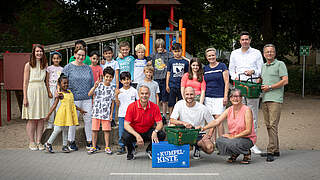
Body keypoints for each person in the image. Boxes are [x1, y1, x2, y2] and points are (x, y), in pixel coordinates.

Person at [228, 31, 264, 154]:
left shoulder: (257, 53)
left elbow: (261, 69)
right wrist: (235, 76)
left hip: (252, 85)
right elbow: (231, 70)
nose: (244, 41)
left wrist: (253, 71)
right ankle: (238, 141)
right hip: (239, 86)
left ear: (250, 40)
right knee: (238, 115)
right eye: (242, 39)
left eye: (246, 39)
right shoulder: (234, 53)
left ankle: (252, 143)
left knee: (253, 115)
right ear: (240, 41)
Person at [202, 89, 257, 164]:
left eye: (237, 96)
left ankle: (247, 152)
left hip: (247, 138)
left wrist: (233, 136)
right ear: (230, 98)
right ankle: (235, 152)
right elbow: (216, 121)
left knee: (232, 143)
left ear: (241, 98)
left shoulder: (247, 110)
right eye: (233, 96)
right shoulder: (229, 110)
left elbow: (248, 131)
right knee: (219, 141)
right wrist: (204, 128)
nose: (235, 99)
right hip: (234, 137)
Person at [260, 44, 288, 162]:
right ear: (264, 54)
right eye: (267, 52)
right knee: (269, 125)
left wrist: (270, 87)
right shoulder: (263, 66)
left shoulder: (280, 64)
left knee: (273, 125)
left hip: (275, 99)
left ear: (275, 53)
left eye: (271, 51)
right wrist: (258, 80)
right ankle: (276, 149)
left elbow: (285, 81)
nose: (269, 53)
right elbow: (263, 80)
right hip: (265, 98)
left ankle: (270, 150)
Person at [44, 74, 86, 153]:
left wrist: (81, 110)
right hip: (61, 115)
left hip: (68, 115)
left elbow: (72, 104)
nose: (66, 84)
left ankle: (64, 146)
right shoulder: (60, 94)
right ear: (60, 84)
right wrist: (48, 115)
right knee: (57, 129)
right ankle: (48, 143)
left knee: (66, 130)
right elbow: (54, 105)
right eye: (64, 83)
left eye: (67, 83)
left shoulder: (69, 92)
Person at [62, 47, 94, 151]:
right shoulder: (68, 67)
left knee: (88, 120)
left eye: (83, 55)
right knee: (73, 121)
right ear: (75, 55)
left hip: (87, 98)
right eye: (79, 55)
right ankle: (71, 141)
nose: (81, 57)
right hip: (73, 98)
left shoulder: (88, 68)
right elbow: (61, 81)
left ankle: (90, 141)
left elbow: (92, 83)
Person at [170, 87, 215, 160]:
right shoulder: (179, 104)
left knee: (210, 148)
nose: (189, 96)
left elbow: (213, 123)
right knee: (171, 125)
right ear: (184, 95)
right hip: (184, 133)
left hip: (198, 134)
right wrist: (183, 123)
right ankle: (188, 146)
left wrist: (209, 135)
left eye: (191, 94)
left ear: (195, 95)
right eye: (187, 94)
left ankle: (198, 147)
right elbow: (172, 120)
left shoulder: (202, 108)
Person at [122, 85, 166, 160]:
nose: (144, 96)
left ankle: (150, 149)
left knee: (161, 134)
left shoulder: (155, 107)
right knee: (125, 136)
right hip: (135, 131)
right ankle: (131, 150)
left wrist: (155, 131)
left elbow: (160, 123)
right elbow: (126, 124)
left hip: (148, 131)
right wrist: (136, 135)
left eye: (146, 93)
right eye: (142, 93)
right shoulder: (131, 106)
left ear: (149, 95)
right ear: (138, 95)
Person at [22, 44, 51, 151]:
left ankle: (39, 141)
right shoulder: (28, 65)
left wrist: (48, 92)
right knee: (32, 118)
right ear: (33, 53)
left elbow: (47, 81)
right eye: (37, 51)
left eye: (41, 51)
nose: (39, 53)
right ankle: (31, 141)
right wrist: (25, 97)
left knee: (41, 119)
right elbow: (25, 83)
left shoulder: (45, 65)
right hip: (32, 91)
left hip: (42, 91)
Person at [87, 67, 116, 155]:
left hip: (106, 113)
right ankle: (93, 146)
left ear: (112, 78)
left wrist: (111, 114)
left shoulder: (112, 88)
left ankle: (107, 147)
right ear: (103, 76)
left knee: (106, 130)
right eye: (107, 76)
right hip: (96, 112)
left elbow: (112, 103)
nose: (108, 78)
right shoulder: (98, 85)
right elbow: (89, 94)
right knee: (94, 130)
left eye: (110, 77)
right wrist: (94, 86)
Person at [203, 48, 229, 142]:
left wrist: (226, 96)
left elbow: (227, 82)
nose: (211, 57)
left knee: (219, 120)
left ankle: (221, 142)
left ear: (216, 55)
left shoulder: (222, 66)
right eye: (209, 56)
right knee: (211, 121)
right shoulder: (205, 68)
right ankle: (213, 143)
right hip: (208, 97)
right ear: (206, 57)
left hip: (220, 96)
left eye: (213, 55)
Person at [115, 72, 139, 155]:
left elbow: (138, 102)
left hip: (132, 115)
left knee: (132, 131)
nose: (126, 81)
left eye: (128, 79)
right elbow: (117, 104)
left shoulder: (134, 91)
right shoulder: (119, 91)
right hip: (122, 114)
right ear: (121, 81)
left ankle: (133, 146)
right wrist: (116, 96)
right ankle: (122, 146)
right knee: (121, 131)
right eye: (124, 80)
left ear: (130, 80)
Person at [150, 38, 172, 119]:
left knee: (164, 98)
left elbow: (174, 55)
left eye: (161, 47)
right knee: (157, 98)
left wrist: (167, 52)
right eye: (158, 47)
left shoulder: (167, 55)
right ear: (156, 47)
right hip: (156, 79)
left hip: (164, 79)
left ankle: (164, 115)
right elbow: (147, 59)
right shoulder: (153, 55)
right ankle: (157, 114)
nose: (160, 48)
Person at [166, 43, 189, 116]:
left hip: (181, 86)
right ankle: (171, 118)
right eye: (175, 51)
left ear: (182, 51)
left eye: (179, 51)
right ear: (172, 51)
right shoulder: (170, 61)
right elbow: (168, 73)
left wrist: (186, 86)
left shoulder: (185, 62)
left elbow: (187, 74)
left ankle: (181, 118)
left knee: (181, 102)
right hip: (172, 85)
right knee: (171, 102)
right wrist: (167, 85)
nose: (177, 53)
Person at [46, 51, 63, 129]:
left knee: (59, 106)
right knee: (51, 105)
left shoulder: (62, 69)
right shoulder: (49, 68)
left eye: (58, 58)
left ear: (60, 59)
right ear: (52, 59)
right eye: (54, 58)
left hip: (59, 88)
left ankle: (57, 122)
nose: (56, 60)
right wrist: (49, 91)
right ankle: (50, 123)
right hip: (51, 87)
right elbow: (46, 80)